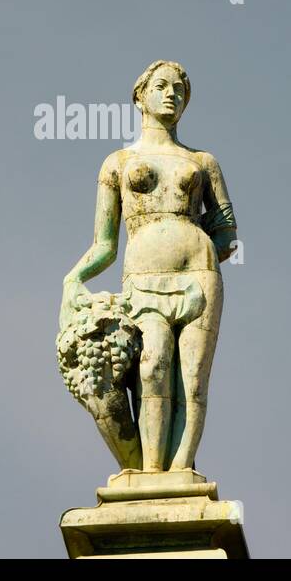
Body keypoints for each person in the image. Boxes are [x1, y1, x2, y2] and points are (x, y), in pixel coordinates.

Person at [61, 60, 237, 472]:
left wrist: (198, 244)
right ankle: (151, 472)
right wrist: (74, 278)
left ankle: (180, 472)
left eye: (179, 89)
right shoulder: (118, 162)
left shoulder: (204, 162)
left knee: (192, 381)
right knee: (152, 365)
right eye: (161, 86)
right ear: (140, 96)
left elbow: (227, 231)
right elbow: (105, 244)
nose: (171, 94)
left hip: (198, 274)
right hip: (142, 275)